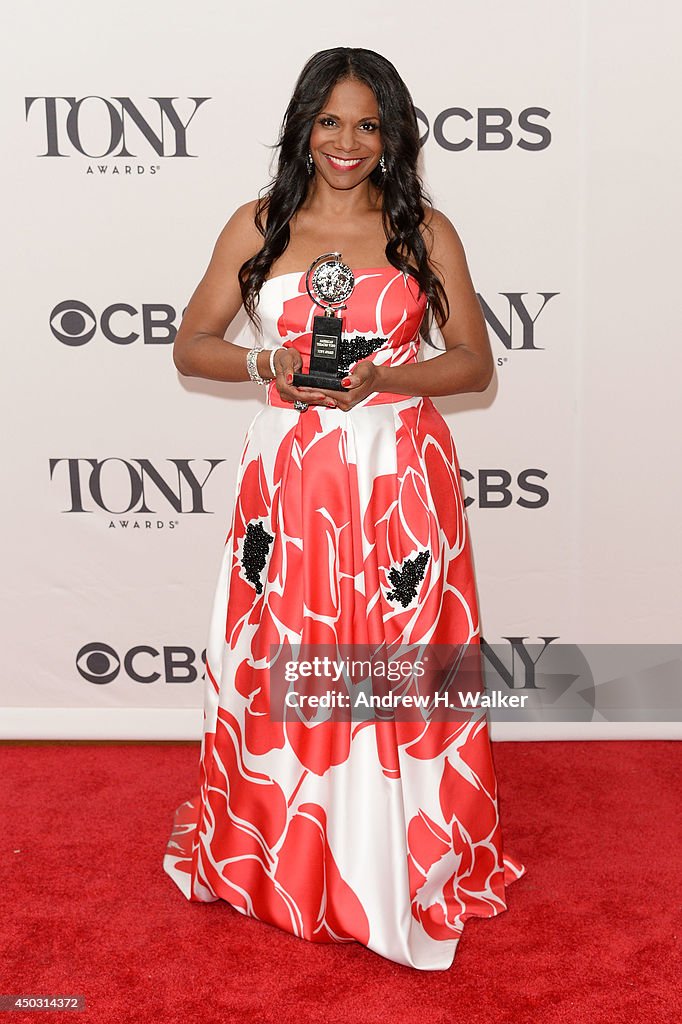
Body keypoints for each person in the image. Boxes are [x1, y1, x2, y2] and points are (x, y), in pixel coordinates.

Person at [163, 46, 526, 971]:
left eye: (369, 124)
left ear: (393, 134)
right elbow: (192, 345)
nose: (348, 142)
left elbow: (474, 364)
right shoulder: (259, 224)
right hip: (292, 480)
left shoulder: (424, 232)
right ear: (303, 127)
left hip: (399, 474)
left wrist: (385, 378)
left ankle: (394, 850)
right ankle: (287, 847)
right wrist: (269, 364)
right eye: (331, 121)